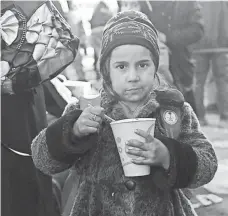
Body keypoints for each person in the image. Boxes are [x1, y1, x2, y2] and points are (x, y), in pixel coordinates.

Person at [31, 11, 217, 216]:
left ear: (155, 65)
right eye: (121, 66)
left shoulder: (173, 111)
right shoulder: (86, 110)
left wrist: (167, 156)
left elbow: (207, 163)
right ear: (106, 70)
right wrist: (72, 132)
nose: (133, 76)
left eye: (143, 65)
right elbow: (42, 159)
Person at [138, 1, 204, 115]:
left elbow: (197, 30)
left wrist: (167, 37)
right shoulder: (145, 3)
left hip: (180, 64)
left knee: (185, 112)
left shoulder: (188, 3)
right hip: (152, 64)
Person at [192, 1, 228, 127]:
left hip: (198, 45)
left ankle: (199, 117)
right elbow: (225, 19)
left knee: (198, 82)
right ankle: (224, 117)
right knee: (222, 81)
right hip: (220, 45)